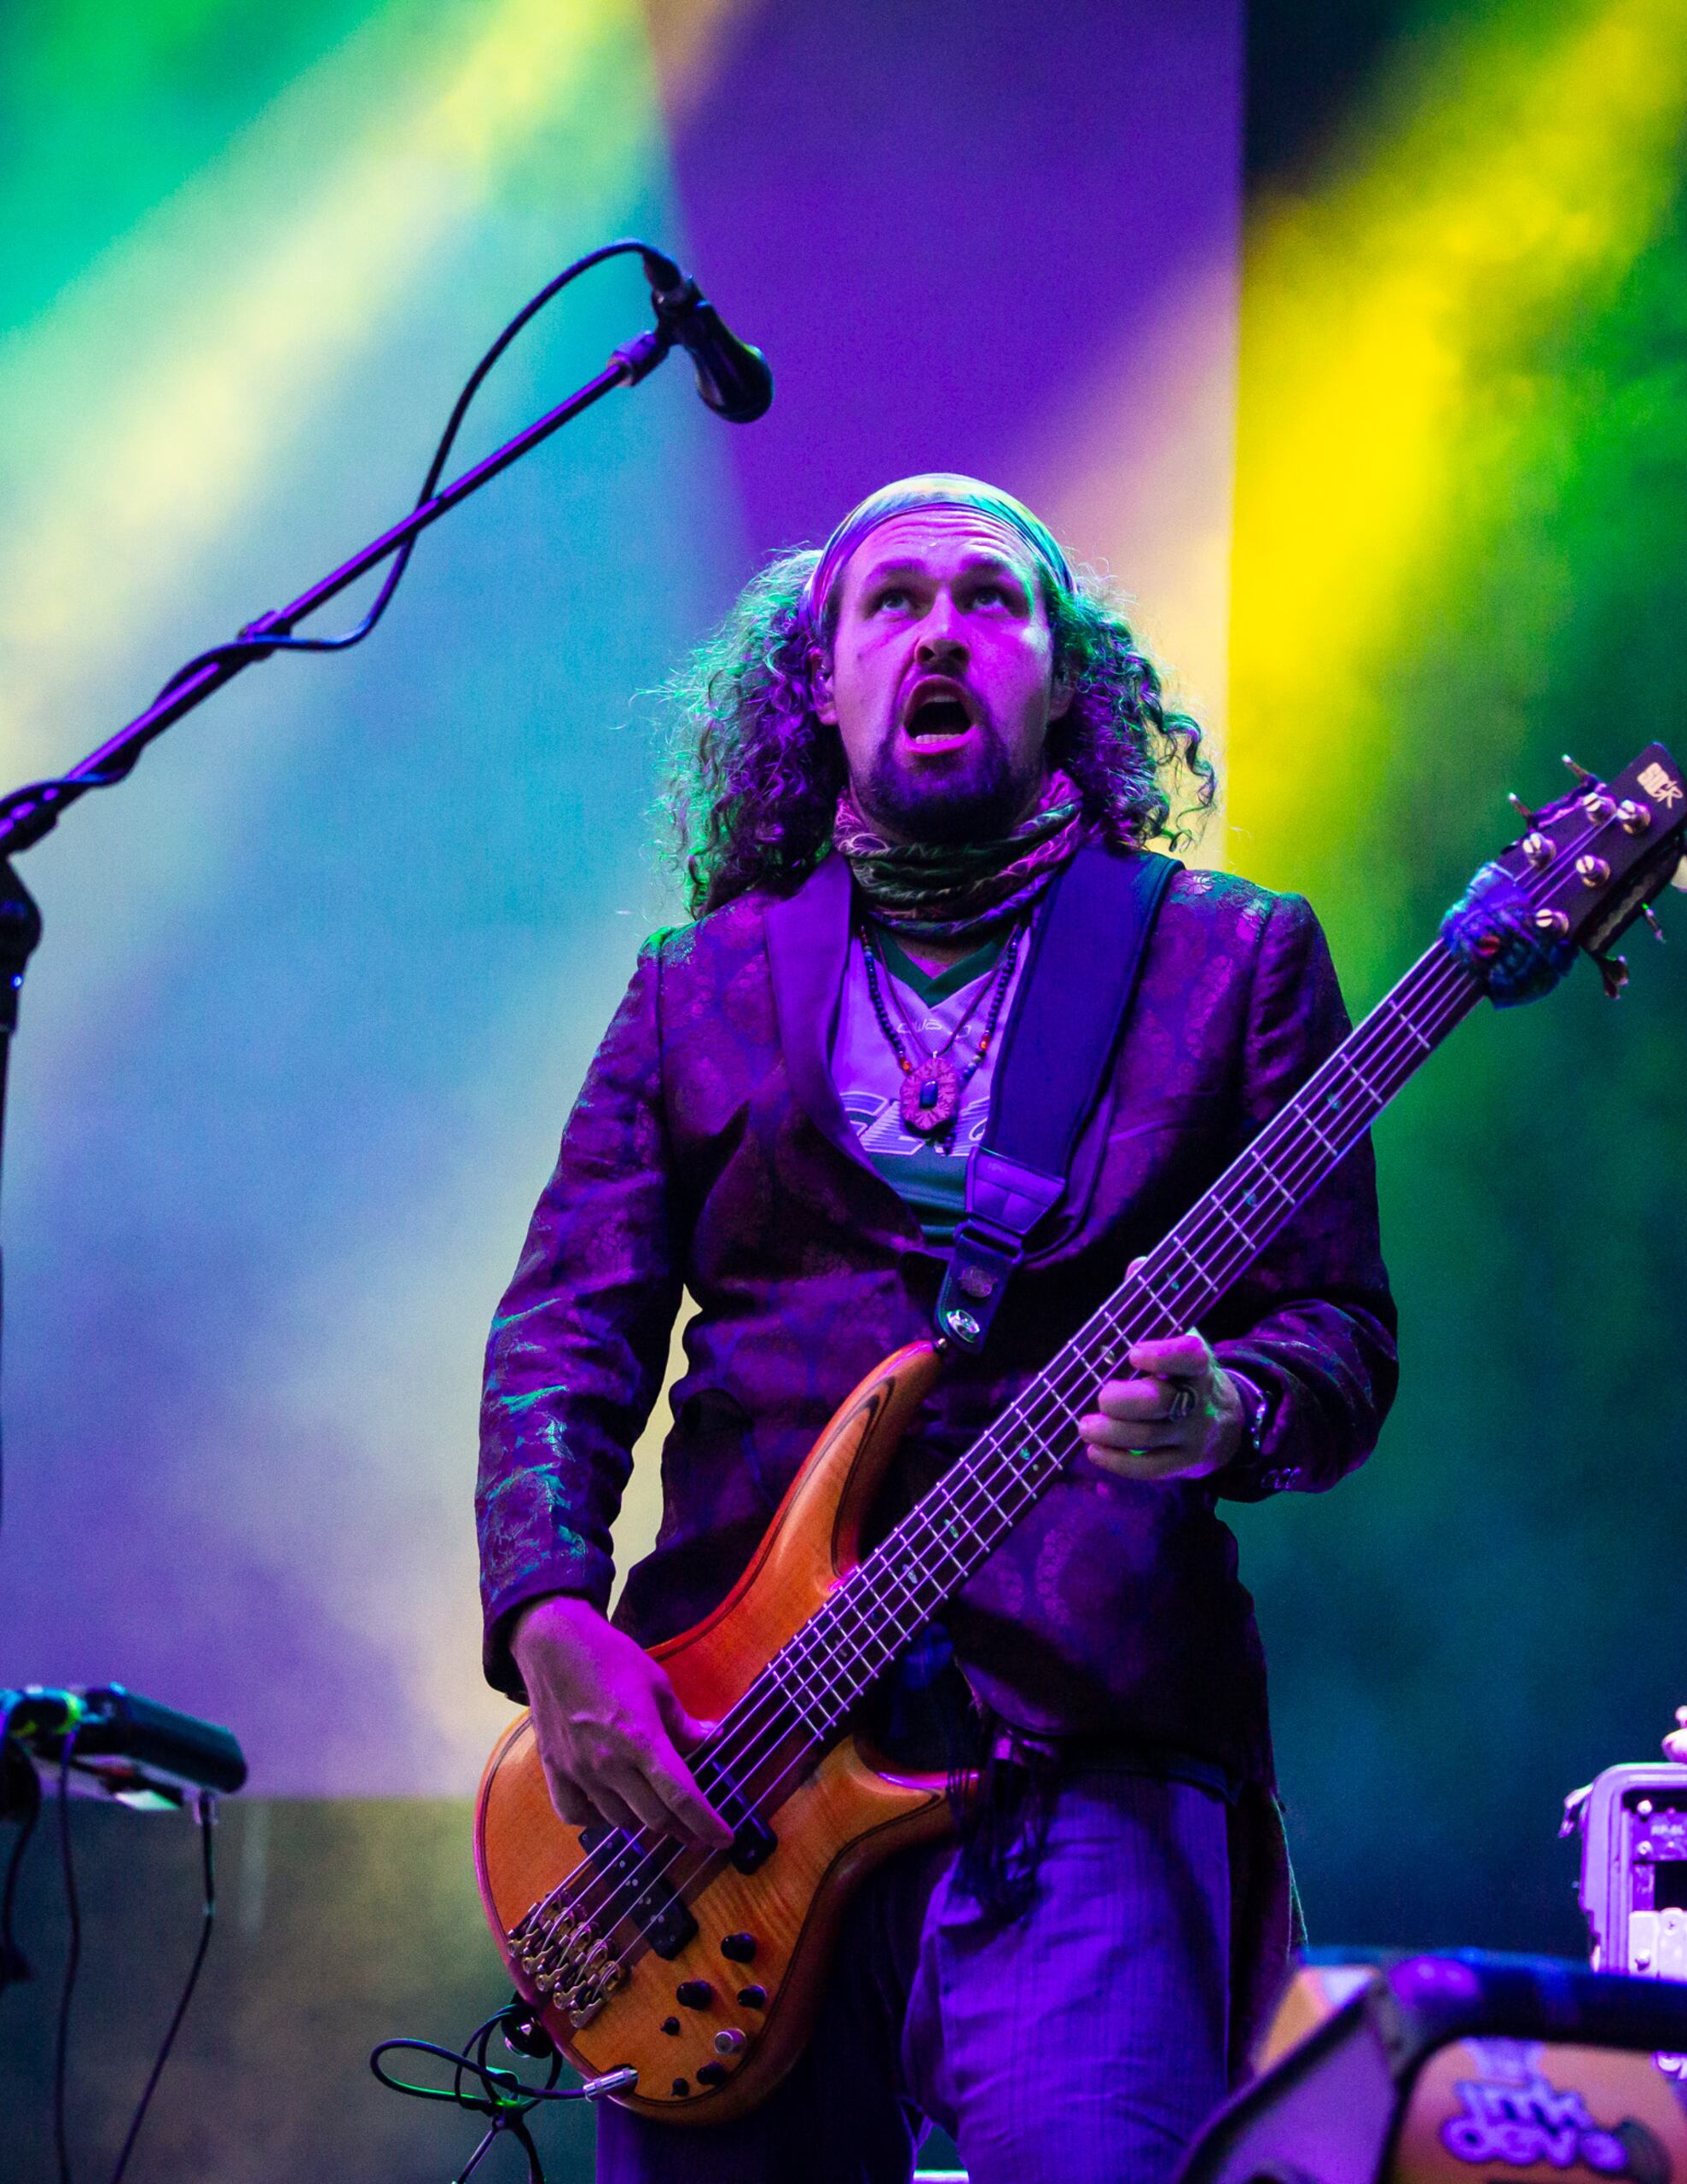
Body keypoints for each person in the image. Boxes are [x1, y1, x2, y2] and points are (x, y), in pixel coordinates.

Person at [474, 475, 1557, 2182]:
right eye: (892, 602)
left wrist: (1231, 1407)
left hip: (1079, 1761)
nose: (941, 631)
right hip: (728, 1779)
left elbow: (1338, 1334)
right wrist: (547, 1614)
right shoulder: (699, 982)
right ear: (819, 683)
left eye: (991, 599)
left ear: (1064, 681)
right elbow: (567, 1328)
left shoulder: (1229, 961)